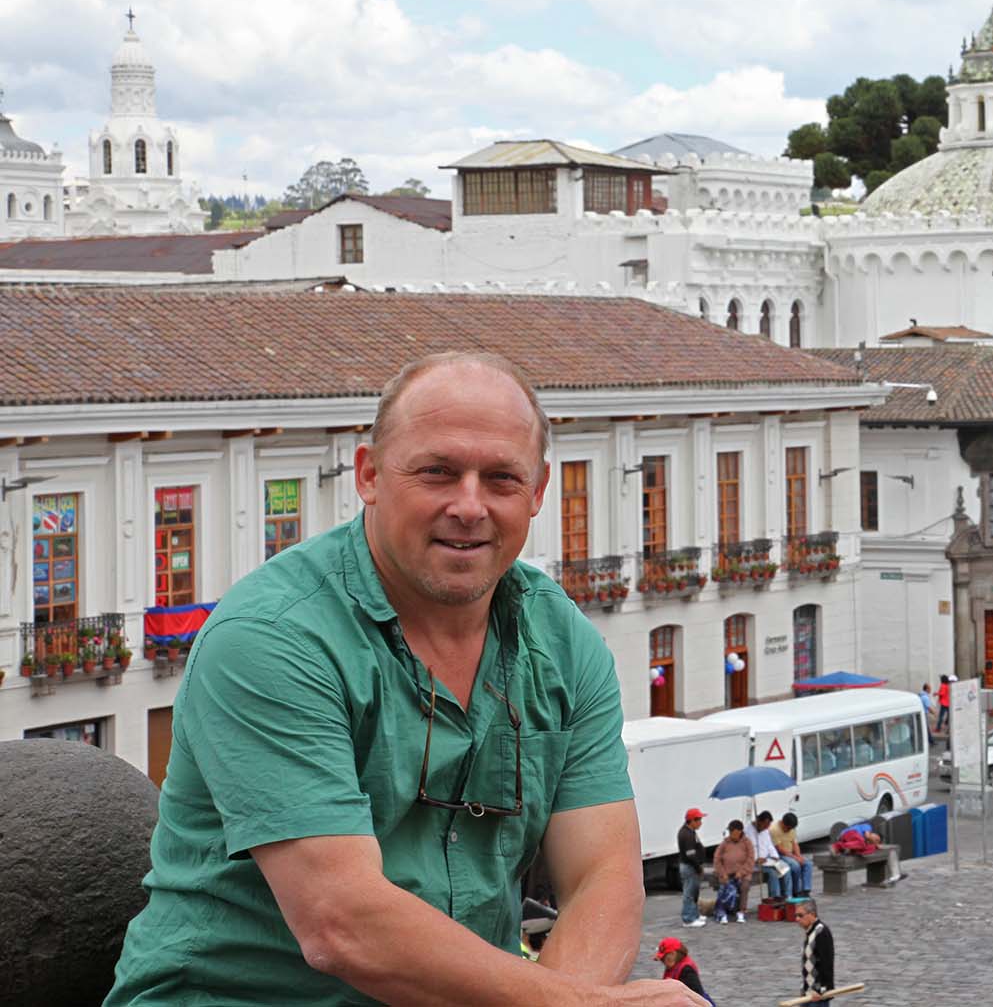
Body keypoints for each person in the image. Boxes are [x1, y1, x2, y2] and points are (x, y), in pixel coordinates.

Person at [105, 352, 702, 1006]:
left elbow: (603, 877)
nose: (469, 506)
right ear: (368, 474)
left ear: (537, 492)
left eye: (501, 479)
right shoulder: (273, 638)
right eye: (438, 472)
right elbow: (342, 924)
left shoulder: (563, 642)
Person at [713, 819, 755, 923]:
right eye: (731, 833)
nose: (733, 836)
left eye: (735, 833)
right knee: (724, 886)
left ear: (740, 832)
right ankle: (723, 913)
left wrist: (741, 872)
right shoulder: (725, 843)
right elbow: (717, 859)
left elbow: (750, 859)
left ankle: (741, 912)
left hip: (743, 873)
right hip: (727, 873)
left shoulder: (747, 842)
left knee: (744, 886)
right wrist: (722, 873)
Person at [654, 937, 713, 1005]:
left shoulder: (686, 969)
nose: (662, 961)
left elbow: (696, 993)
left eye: (663, 958)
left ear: (673, 954)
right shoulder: (673, 965)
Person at [677, 808, 709, 928]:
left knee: (694, 892)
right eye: (699, 820)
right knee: (689, 893)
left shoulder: (690, 832)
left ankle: (694, 914)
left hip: (692, 867)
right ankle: (688, 919)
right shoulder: (686, 834)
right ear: (692, 821)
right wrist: (698, 867)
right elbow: (690, 854)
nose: (701, 823)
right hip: (690, 867)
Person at [798, 901, 836, 1000]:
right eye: (796, 915)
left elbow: (827, 962)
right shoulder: (810, 931)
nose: (797, 919)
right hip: (808, 992)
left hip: (818, 994)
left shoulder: (821, 931)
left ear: (812, 914)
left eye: (800, 915)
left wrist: (823, 989)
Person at [752, 811, 792, 902]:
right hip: (756, 862)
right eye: (765, 825)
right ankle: (775, 899)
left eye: (768, 826)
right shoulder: (748, 831)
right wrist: (756, 859)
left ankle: (788, 897)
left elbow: (770, 845)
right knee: (772, 874)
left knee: (786, 869)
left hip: (768, 860)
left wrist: (775, 856)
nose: (766, 828)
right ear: (759, 821)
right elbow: (748, 850)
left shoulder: (765, 831)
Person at [773, 811, 813, 898]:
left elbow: (795, 844)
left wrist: (799, 856)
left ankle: (806, 889)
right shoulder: (774, 830)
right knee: (795, 866)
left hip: (791, 854)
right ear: (783, 823)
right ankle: (796, 890)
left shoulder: (791, 829)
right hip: (780, 855)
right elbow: (779, 849)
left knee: (808, 864)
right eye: (788, 828)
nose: (789, 830)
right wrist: (795, 858)